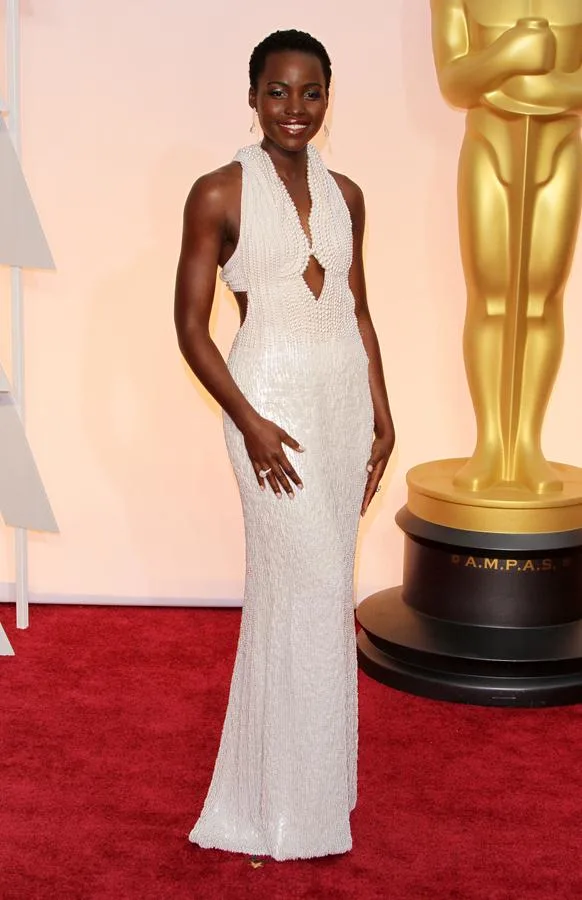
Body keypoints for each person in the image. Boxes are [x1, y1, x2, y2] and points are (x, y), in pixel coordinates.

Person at [174, 29, 394, 861]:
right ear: (253, 96)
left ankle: (311, 795)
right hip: (266, 407)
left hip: (340, 409)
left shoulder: (349, 196)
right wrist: (249, 421)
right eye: (277, 91)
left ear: (327, 100)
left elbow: (357, 309)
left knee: (319, 600)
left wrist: (383, 408)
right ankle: (278, 812)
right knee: (299, 593)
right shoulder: (216, 193)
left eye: (310, 93)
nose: (294, 109)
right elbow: (191, 331)